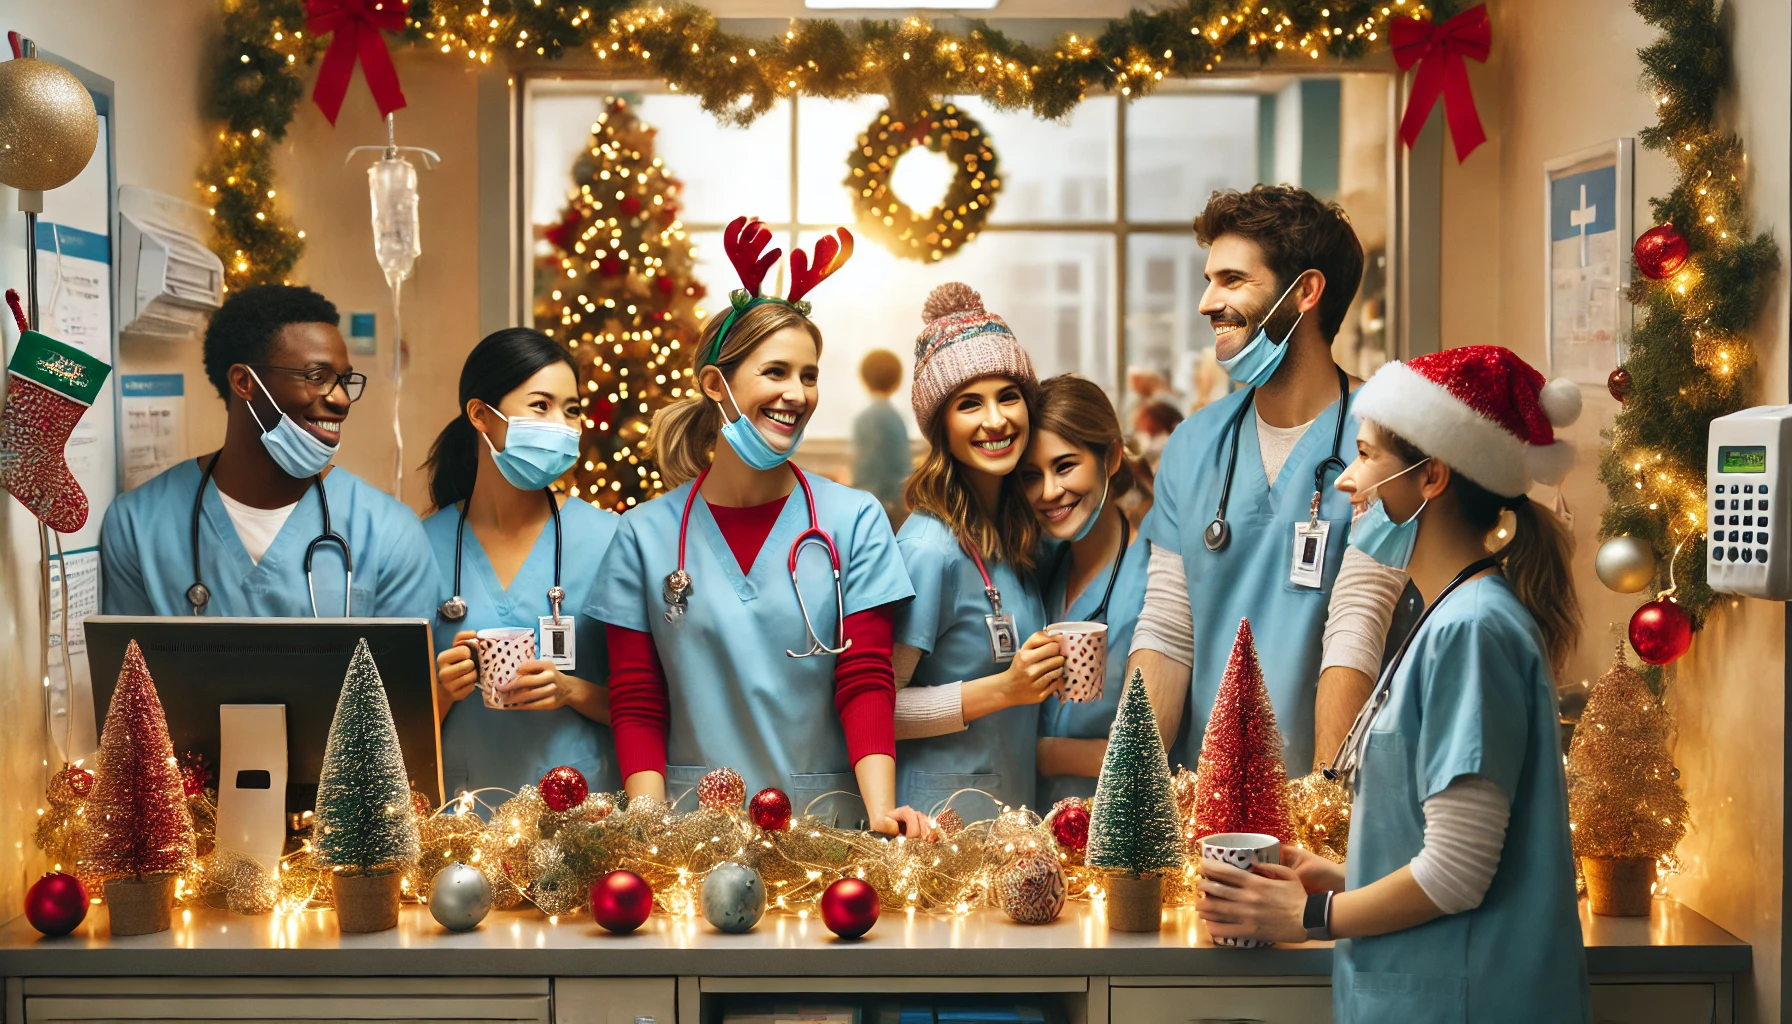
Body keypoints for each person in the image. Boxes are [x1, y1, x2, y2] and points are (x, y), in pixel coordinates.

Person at [1196, 346, 1590, 1024]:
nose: (1349, 481)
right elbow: (1460, 860)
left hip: (1465, 1002)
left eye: (1370, 456)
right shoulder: (1449, 615)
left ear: (1431, 476)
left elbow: (1458, 874)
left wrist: (1311, 913)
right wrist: (1344, 876)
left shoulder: (1473, 631)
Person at [587, 219, 927, 837]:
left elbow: (865, 678)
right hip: (691, 834)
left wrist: (881, 810)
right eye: (776, 372)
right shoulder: (643, 536)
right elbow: (637, 700)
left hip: (828, 829)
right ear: (716, 383)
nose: (797, 393)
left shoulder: (853, 522)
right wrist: (647, 822)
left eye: (810, 374)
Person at [1125, 185, 1406, 775]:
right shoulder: (1193, 445)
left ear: (1305, 292)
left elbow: (1357, 630)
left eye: (1232, 280)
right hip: (1202, 796)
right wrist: (1132, 799)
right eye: (1209, 279)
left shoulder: (1387, 441)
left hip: (1330, 788)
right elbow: (1167, 634)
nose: (1207, 303)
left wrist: (1325, 815)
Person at [101, 284, 436, 619]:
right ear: (244, 382)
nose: (341, 400)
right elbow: (129, 668)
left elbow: (402, 670)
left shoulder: (388, 532)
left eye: (344, 381)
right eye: (316, 377)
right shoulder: (138, 524)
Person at [423, 328, 619, 802]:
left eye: (571, 410)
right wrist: (443, 690)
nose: (561, 424)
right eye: (540, 405)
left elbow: (646, 708)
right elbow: (383, 724)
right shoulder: (422, 544)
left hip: (580, 818)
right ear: (480, 415)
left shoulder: (609, 538)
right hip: (463, 816)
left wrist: (571, 691)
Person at [892, 282, 1063, 820]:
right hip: (937, 826)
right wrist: (1003, 690)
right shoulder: (927, 547)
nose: (996, 420)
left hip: (1010, 814)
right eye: (970, 404)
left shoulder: (1015, 536)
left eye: (1008, 396)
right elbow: (876, 707)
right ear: (941, 425)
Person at [1020, 375, 1149, 806]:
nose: (1049, 492)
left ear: (1110, 458)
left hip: (1114, 830)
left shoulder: (1155, 580)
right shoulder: (1040, 566)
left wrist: (1029, 752)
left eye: (1065, 466)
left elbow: (1154, 750)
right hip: (1030, 832)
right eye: (1031, 476)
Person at [852, 348, 911, 526]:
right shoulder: (896, 417)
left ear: (864, 379)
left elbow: (867, 465)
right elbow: (902, 464)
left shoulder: (866, 418)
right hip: (895, 500)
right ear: (897, 382)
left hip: (878, 502)